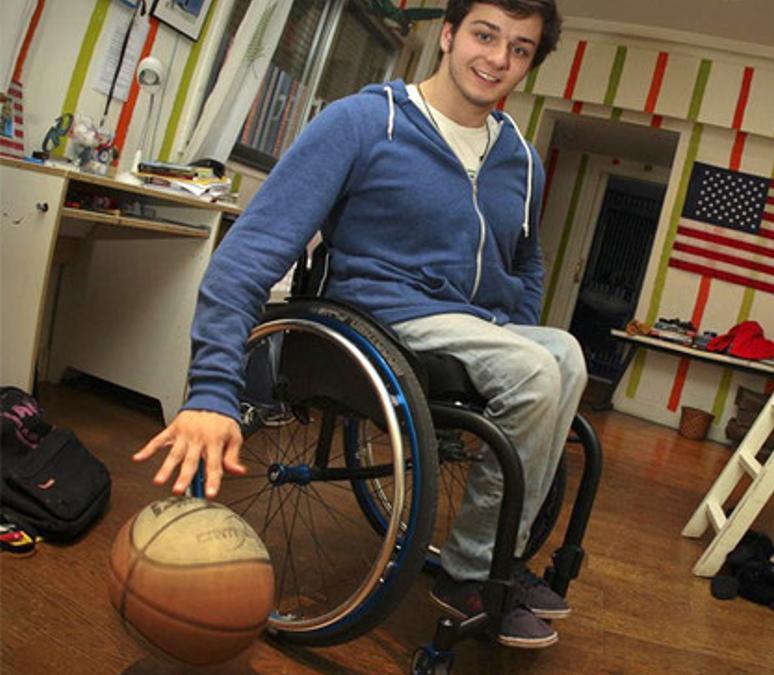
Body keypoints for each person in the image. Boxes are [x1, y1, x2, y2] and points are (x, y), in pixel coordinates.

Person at [132, 0, 581, 649]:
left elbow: (526, 257)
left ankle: (494, 559)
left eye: (518, 48)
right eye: (485, 35)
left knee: (562, 351)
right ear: (449, 34)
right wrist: (212, 389)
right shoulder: (367, 121)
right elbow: (248, 255)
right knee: (537, 365)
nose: (497, 58)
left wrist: (510, 348)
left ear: (530, 62)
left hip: (474, 323)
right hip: (382, 319)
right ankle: (470, 575)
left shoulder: (522, 158)